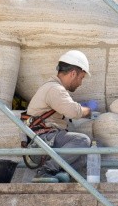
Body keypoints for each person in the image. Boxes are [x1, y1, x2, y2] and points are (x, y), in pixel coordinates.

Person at [25, 50, 99, 182]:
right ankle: (46, 170)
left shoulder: (54, 89)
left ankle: (59, 174)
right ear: (73, 73)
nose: (80, 83)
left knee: (85, 155)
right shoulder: (55, 89)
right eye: (81, 78)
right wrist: (88, 110)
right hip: (42, 140)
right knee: (82, 141)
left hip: (47, 140)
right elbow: (73, 111)